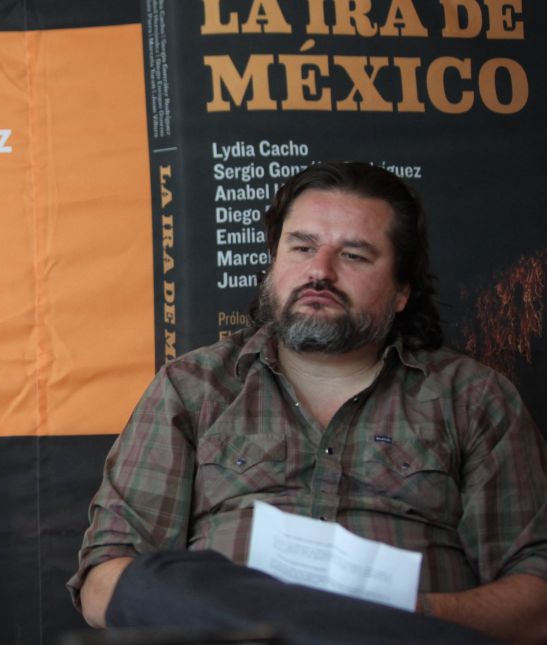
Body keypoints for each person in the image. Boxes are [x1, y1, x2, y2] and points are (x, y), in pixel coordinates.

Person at [69, 162, 547, 643]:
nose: (320, 271)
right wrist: (273, 616)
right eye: (301, 247)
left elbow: (536, 597)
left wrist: (399, 617)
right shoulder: (192, 387)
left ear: (402, 291)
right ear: (273, 264)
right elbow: (106, 582)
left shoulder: (472, 397)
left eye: (355, 256)